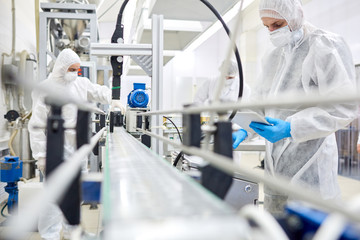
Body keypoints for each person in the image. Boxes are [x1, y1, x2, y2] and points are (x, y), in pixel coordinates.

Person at [232, 0, 357, 215]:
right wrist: (245, 128)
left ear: (295, 17)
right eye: (266, 26)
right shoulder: (273, 56)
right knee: (277, 223)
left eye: (277, 24)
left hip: (312, 162)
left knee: (310, 222)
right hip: (275, 163)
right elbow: (260, 102)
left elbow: (343, 106)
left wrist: (291, 127)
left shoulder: (324, 46)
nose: (271, 31)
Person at [28, 48, 124, 240]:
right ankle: (50, 234)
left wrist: (113, 99)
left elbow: (98, 91)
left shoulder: (81, 84)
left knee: (77, 192)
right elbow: (36, 124)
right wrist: (40, 155)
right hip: (55, 147)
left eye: (77, 69)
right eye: (72, 69)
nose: (75, 73)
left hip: (78, 147)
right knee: (55, 196)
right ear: (61, 68)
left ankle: (71, 229)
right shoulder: (44, 88)